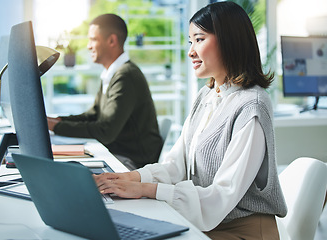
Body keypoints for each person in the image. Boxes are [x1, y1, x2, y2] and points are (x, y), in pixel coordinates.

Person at [94, 2, 287, 239]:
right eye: (190, 41)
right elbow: (177, 165)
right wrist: (128, 178)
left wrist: (144, 189)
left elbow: (221, 195)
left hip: (244, 232)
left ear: (229, 41)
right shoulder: (206, 96)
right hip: (205, 223)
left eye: (199, 39)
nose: (191, 51)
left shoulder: (252, 105)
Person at [48, 14, 163, 170]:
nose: (88, 46)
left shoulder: (125, 76)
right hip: (118, 153)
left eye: (93, 39)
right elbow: (93, 115)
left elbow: (105, 131)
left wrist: (55, 127)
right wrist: (56, 121)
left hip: (132, 162)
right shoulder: (113, 74)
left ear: (111, 41)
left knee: (66, 170)